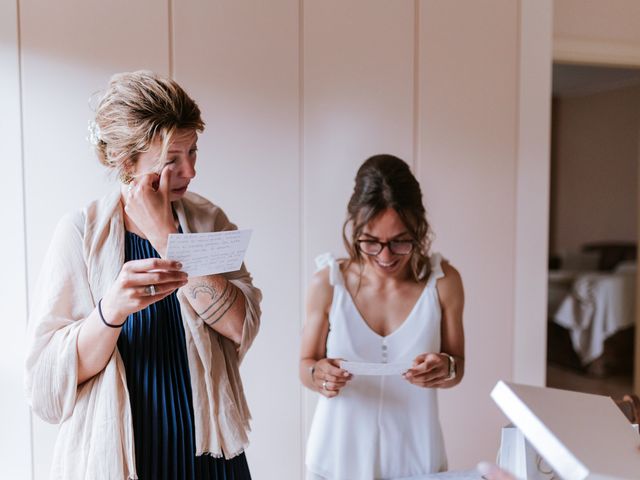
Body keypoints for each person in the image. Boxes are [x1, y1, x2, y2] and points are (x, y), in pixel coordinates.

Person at [24, 71, 261, 480]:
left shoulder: (209, 222)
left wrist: (166, 237)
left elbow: (242, 325)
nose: (190, 171)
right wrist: (110, 311)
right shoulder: (81, 234)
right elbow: (45, 385)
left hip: (211, 461)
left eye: (193, 152)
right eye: (172, 160)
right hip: (123, 462)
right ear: (126, 161)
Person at [300, 154, 465, 479]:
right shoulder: (327, 283)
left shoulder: (444, 282)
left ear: (418, 228)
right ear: (355, 227)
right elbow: (306, 364)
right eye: (371, 242)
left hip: (418, 456)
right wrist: (318, 373)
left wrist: (445, 367)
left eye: (400, 242)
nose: (386, 256)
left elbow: (457, 366)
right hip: (336, 457)